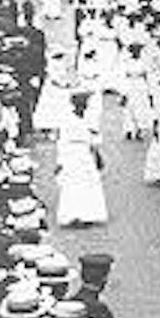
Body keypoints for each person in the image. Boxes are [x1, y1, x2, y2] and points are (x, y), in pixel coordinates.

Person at [54, 91, 109, 229]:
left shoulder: (89, 118)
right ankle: (73, 216)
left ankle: (87, 214)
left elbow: (94, 138)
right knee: (73, 185)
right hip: (71, 155)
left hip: (86, 154)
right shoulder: (66, 119)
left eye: (85, 104)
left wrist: (97, 155)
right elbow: (61, 141)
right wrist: (60, 161)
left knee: (88, 183)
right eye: (82, 103)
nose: (84, 106)